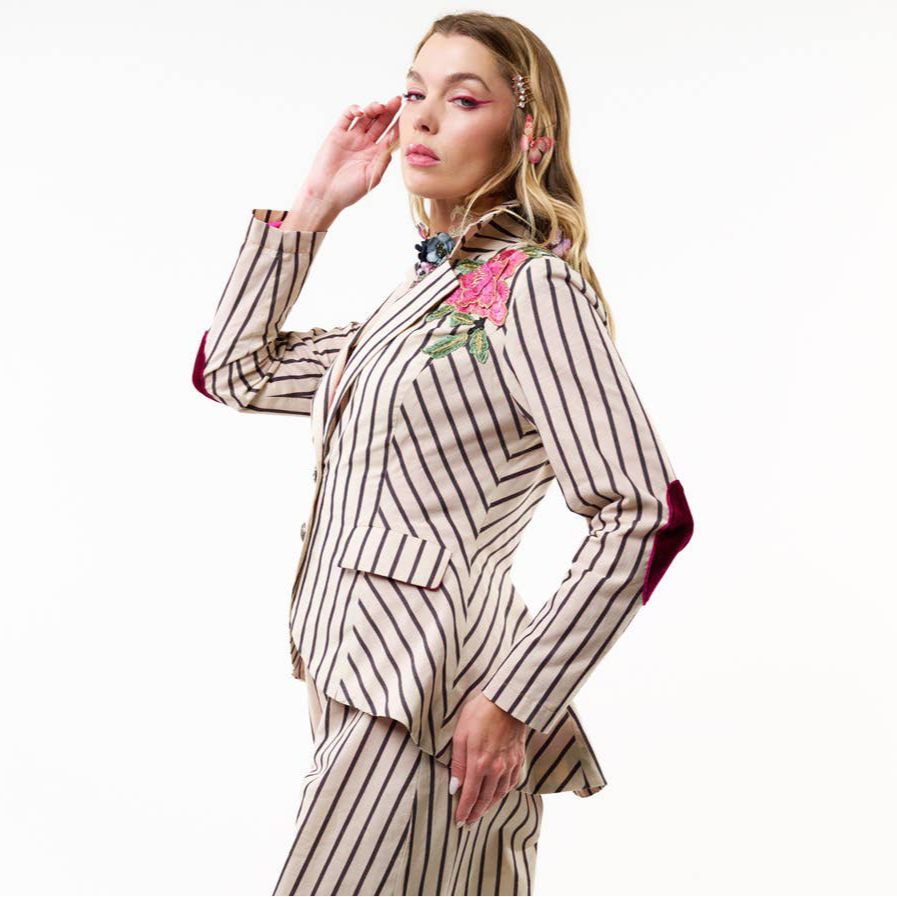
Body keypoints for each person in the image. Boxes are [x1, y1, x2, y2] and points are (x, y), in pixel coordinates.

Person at [192, 12, 694, 897]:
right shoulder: (423, 298)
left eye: (461, 99)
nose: (420, 117)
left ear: (526, 134)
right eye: (414, 92)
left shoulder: (531, 286)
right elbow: (234, 369)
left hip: (434, 698)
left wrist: (514, 701)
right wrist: (313, 206)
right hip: (362, 675)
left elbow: (645, 512)